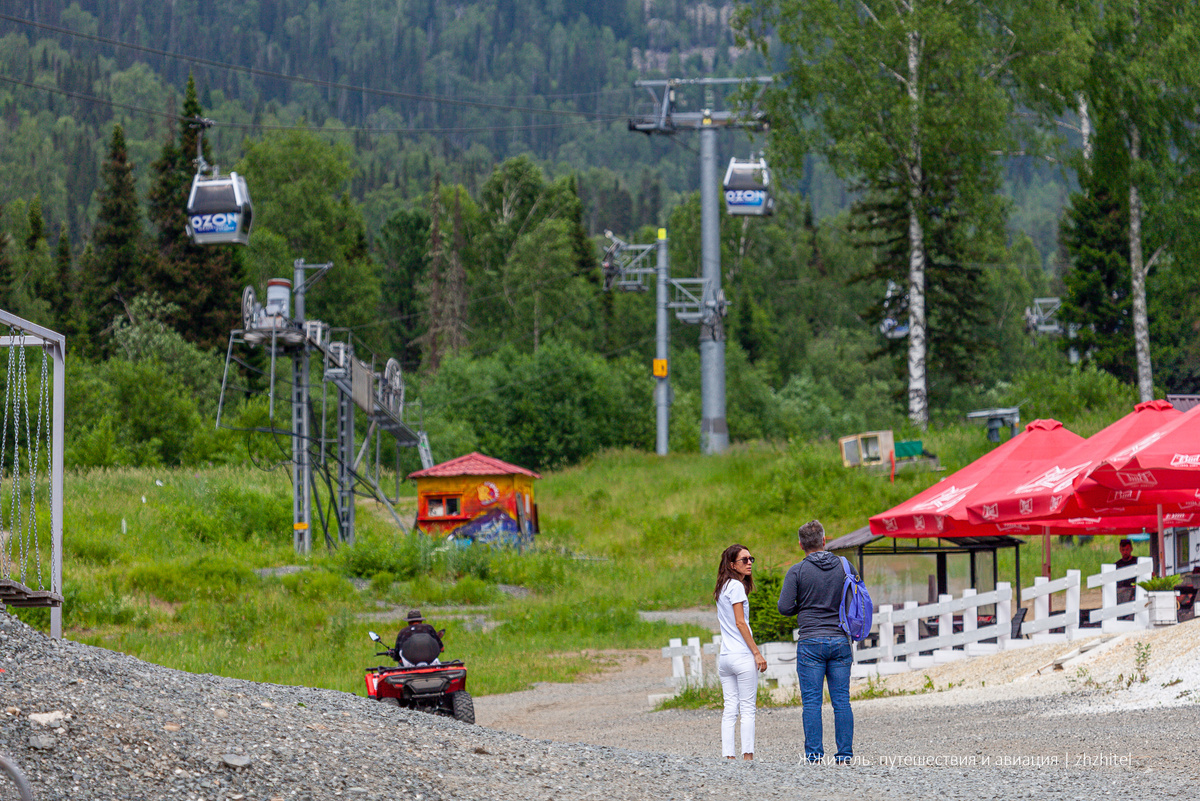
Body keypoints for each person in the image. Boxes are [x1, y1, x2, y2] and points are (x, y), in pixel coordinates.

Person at [777, 520, 859, 764]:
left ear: (801, 544)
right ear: (825, 540)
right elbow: (855, 598)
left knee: (812, 702)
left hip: (811, 641)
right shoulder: (846, 566)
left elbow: (784, 607)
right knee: (842, 701)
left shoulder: (797, 571)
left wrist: (804, 606)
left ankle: (814, 756)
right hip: (840, 640)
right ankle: (844, 755)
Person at [714, 543, 768, 761]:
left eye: (750, 559)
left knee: (730, 707)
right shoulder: (736, 587)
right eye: (743, 560)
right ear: (731, 564)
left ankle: (728, 755)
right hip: (741, 655)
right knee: (747, 708)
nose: (749, 563)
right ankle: (747, 756)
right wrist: (756, 652)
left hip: (725, 657)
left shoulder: (722, 587)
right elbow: (740, 623)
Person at [1115, 538, 1138, 604]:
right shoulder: (1116, 565)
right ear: (1120, 550)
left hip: (1134, 593)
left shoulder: (1137, 562)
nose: (1125, 552)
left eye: (1127, 550)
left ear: (1131, 549)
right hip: (1120, 594)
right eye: (1123, 550)